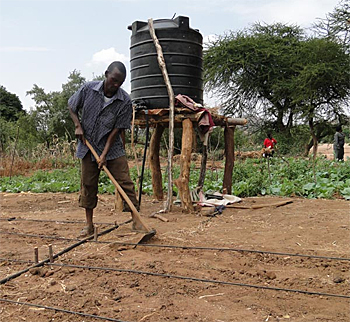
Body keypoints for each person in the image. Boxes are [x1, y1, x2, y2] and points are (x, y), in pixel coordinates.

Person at [68, 61, 139, 237]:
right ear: (106, 74)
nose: (115, 85)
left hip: (112, 149)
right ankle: (89, 225)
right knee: (88, 185)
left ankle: (136, 220)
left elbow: (117, 131)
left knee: (125, 183)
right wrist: (78, 125)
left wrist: (104, 154)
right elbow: (71, 106)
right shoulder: (88, 89)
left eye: (119, 83)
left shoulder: (124, 101)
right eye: (113, 80)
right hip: (88, 145)